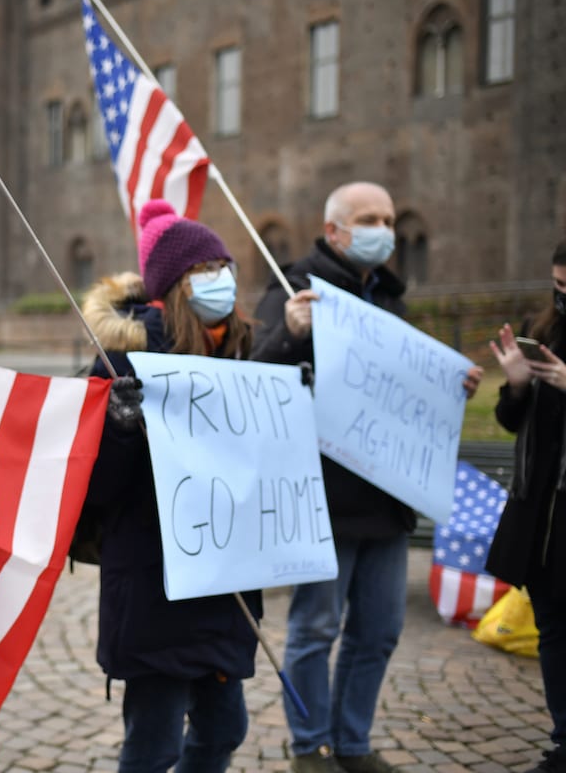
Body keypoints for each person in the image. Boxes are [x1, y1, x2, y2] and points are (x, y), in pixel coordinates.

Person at [250, 181, 482, 773]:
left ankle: (352, 743)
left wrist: (451, 387)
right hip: (324, 498)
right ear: (334, 231)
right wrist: (291, 336)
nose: (385, 228)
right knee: (316, 628)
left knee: (378, 630)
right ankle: (311, 746)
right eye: (370, 218)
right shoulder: (292, 291)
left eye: (387, 216)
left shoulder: (390, 301)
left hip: (388, 498)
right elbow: (259, 379)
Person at [81, 199, 262, 772]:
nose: (222, 280)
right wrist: (117, 428)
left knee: (223, 730)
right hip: (155, 585)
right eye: (207, 271)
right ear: (175, 285)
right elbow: (94, 490)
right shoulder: (122, 359)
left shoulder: (239, 349)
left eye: (225, 267)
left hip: (223, 582)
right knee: (154, 745)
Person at [485, 241, 566, 773]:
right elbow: (514, 422)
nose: (563, 298)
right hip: (542, 513)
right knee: (554, 630)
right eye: (559, 287)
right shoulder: (549, 326)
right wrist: (516, 385)